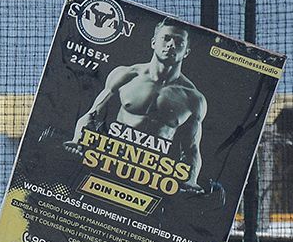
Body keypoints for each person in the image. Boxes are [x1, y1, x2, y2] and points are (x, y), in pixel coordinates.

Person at [71, 19, 210, 191]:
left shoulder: (193, 98)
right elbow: (92, 115)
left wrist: (191, 179)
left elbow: (191, 149)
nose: (171, 45)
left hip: (150, 176)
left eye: (179, 42)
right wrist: (78, 141)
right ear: (153, 43)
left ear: (186, 52)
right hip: (109, 163)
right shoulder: (125, 75)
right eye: (166, 38)